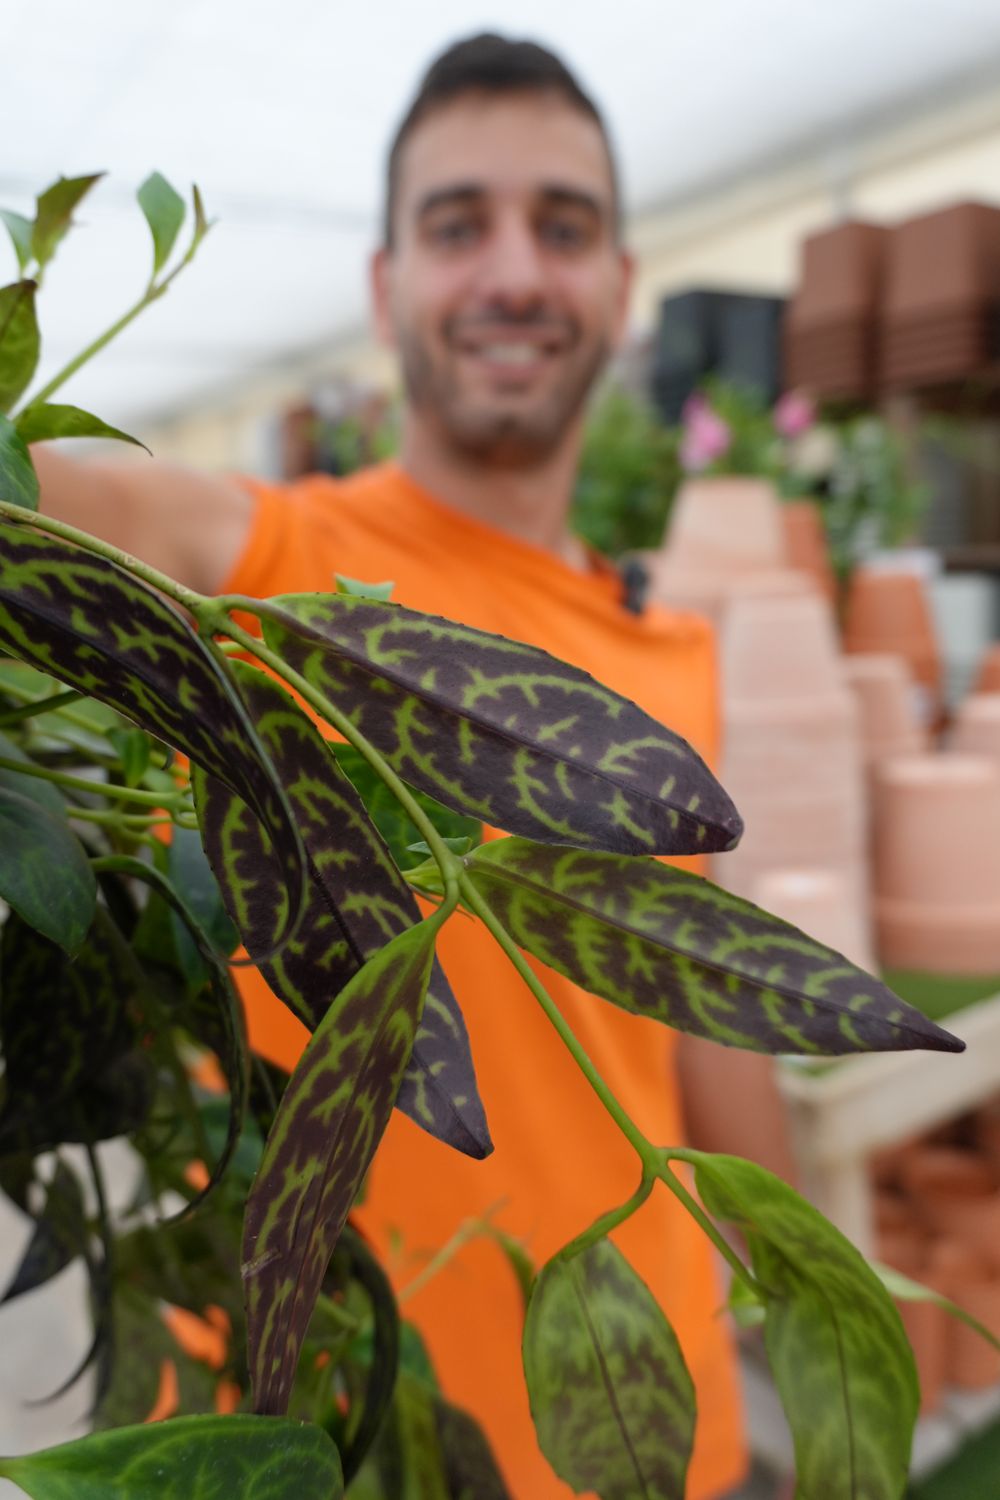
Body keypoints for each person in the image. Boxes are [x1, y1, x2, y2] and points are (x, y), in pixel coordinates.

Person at [31, 33, 799, 1497]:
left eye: (561, 228)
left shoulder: (673, 654)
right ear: (386, 288)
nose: (514, 271)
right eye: (460, 226)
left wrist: (810, 1284)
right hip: (338, 1433)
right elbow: (55, 503)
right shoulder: (256, 575)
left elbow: (704, 1020)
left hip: (658, 1422)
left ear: (621, 291)